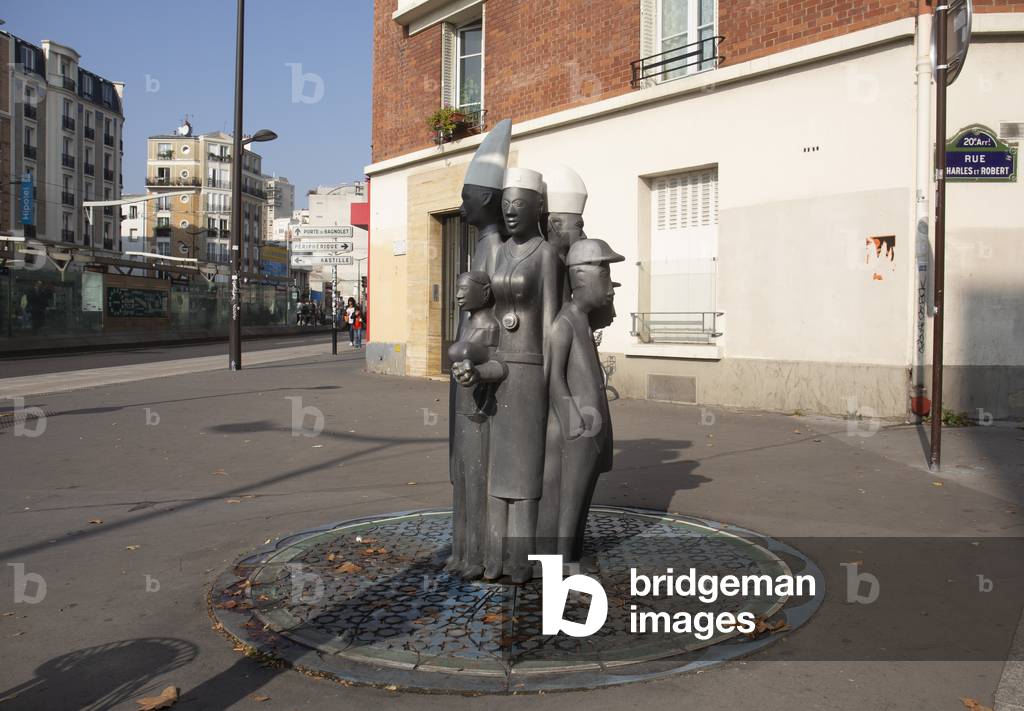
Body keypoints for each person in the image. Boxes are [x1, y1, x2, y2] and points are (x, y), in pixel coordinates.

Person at [454, 167, 563, 583]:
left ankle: (522, 560)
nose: (511, 212)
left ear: (537, 206)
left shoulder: (547, 255)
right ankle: (495, 558)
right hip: (498, 362)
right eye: (506, 205)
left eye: (520, 204)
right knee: (498, 471)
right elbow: (488, 312)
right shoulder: (497, 253)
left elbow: (551, 320)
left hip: (531, 368)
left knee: (524, 470)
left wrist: (555, 383)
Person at [536, 239, 622, 561]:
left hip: (591, 426)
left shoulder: (583, 322)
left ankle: (572, 553)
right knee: (569, 501)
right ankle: (564, 561)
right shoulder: (565, 324)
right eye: (606, 278)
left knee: (583, 497)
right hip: (579, 429)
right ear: (583, 279)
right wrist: (574, 421)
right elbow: (553, 376)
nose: (611, 291)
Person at [446, 272, 504, 578]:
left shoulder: (491, 327)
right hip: (461, 411)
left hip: (479, 414)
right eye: (457, 289)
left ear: (484, 294)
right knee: (461, 484)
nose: (458, 295)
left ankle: (478, 556)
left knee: (477, 486)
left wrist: (478, 372)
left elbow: (498, 366)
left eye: (464, 289)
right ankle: (461, 552)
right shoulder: (467, 325)